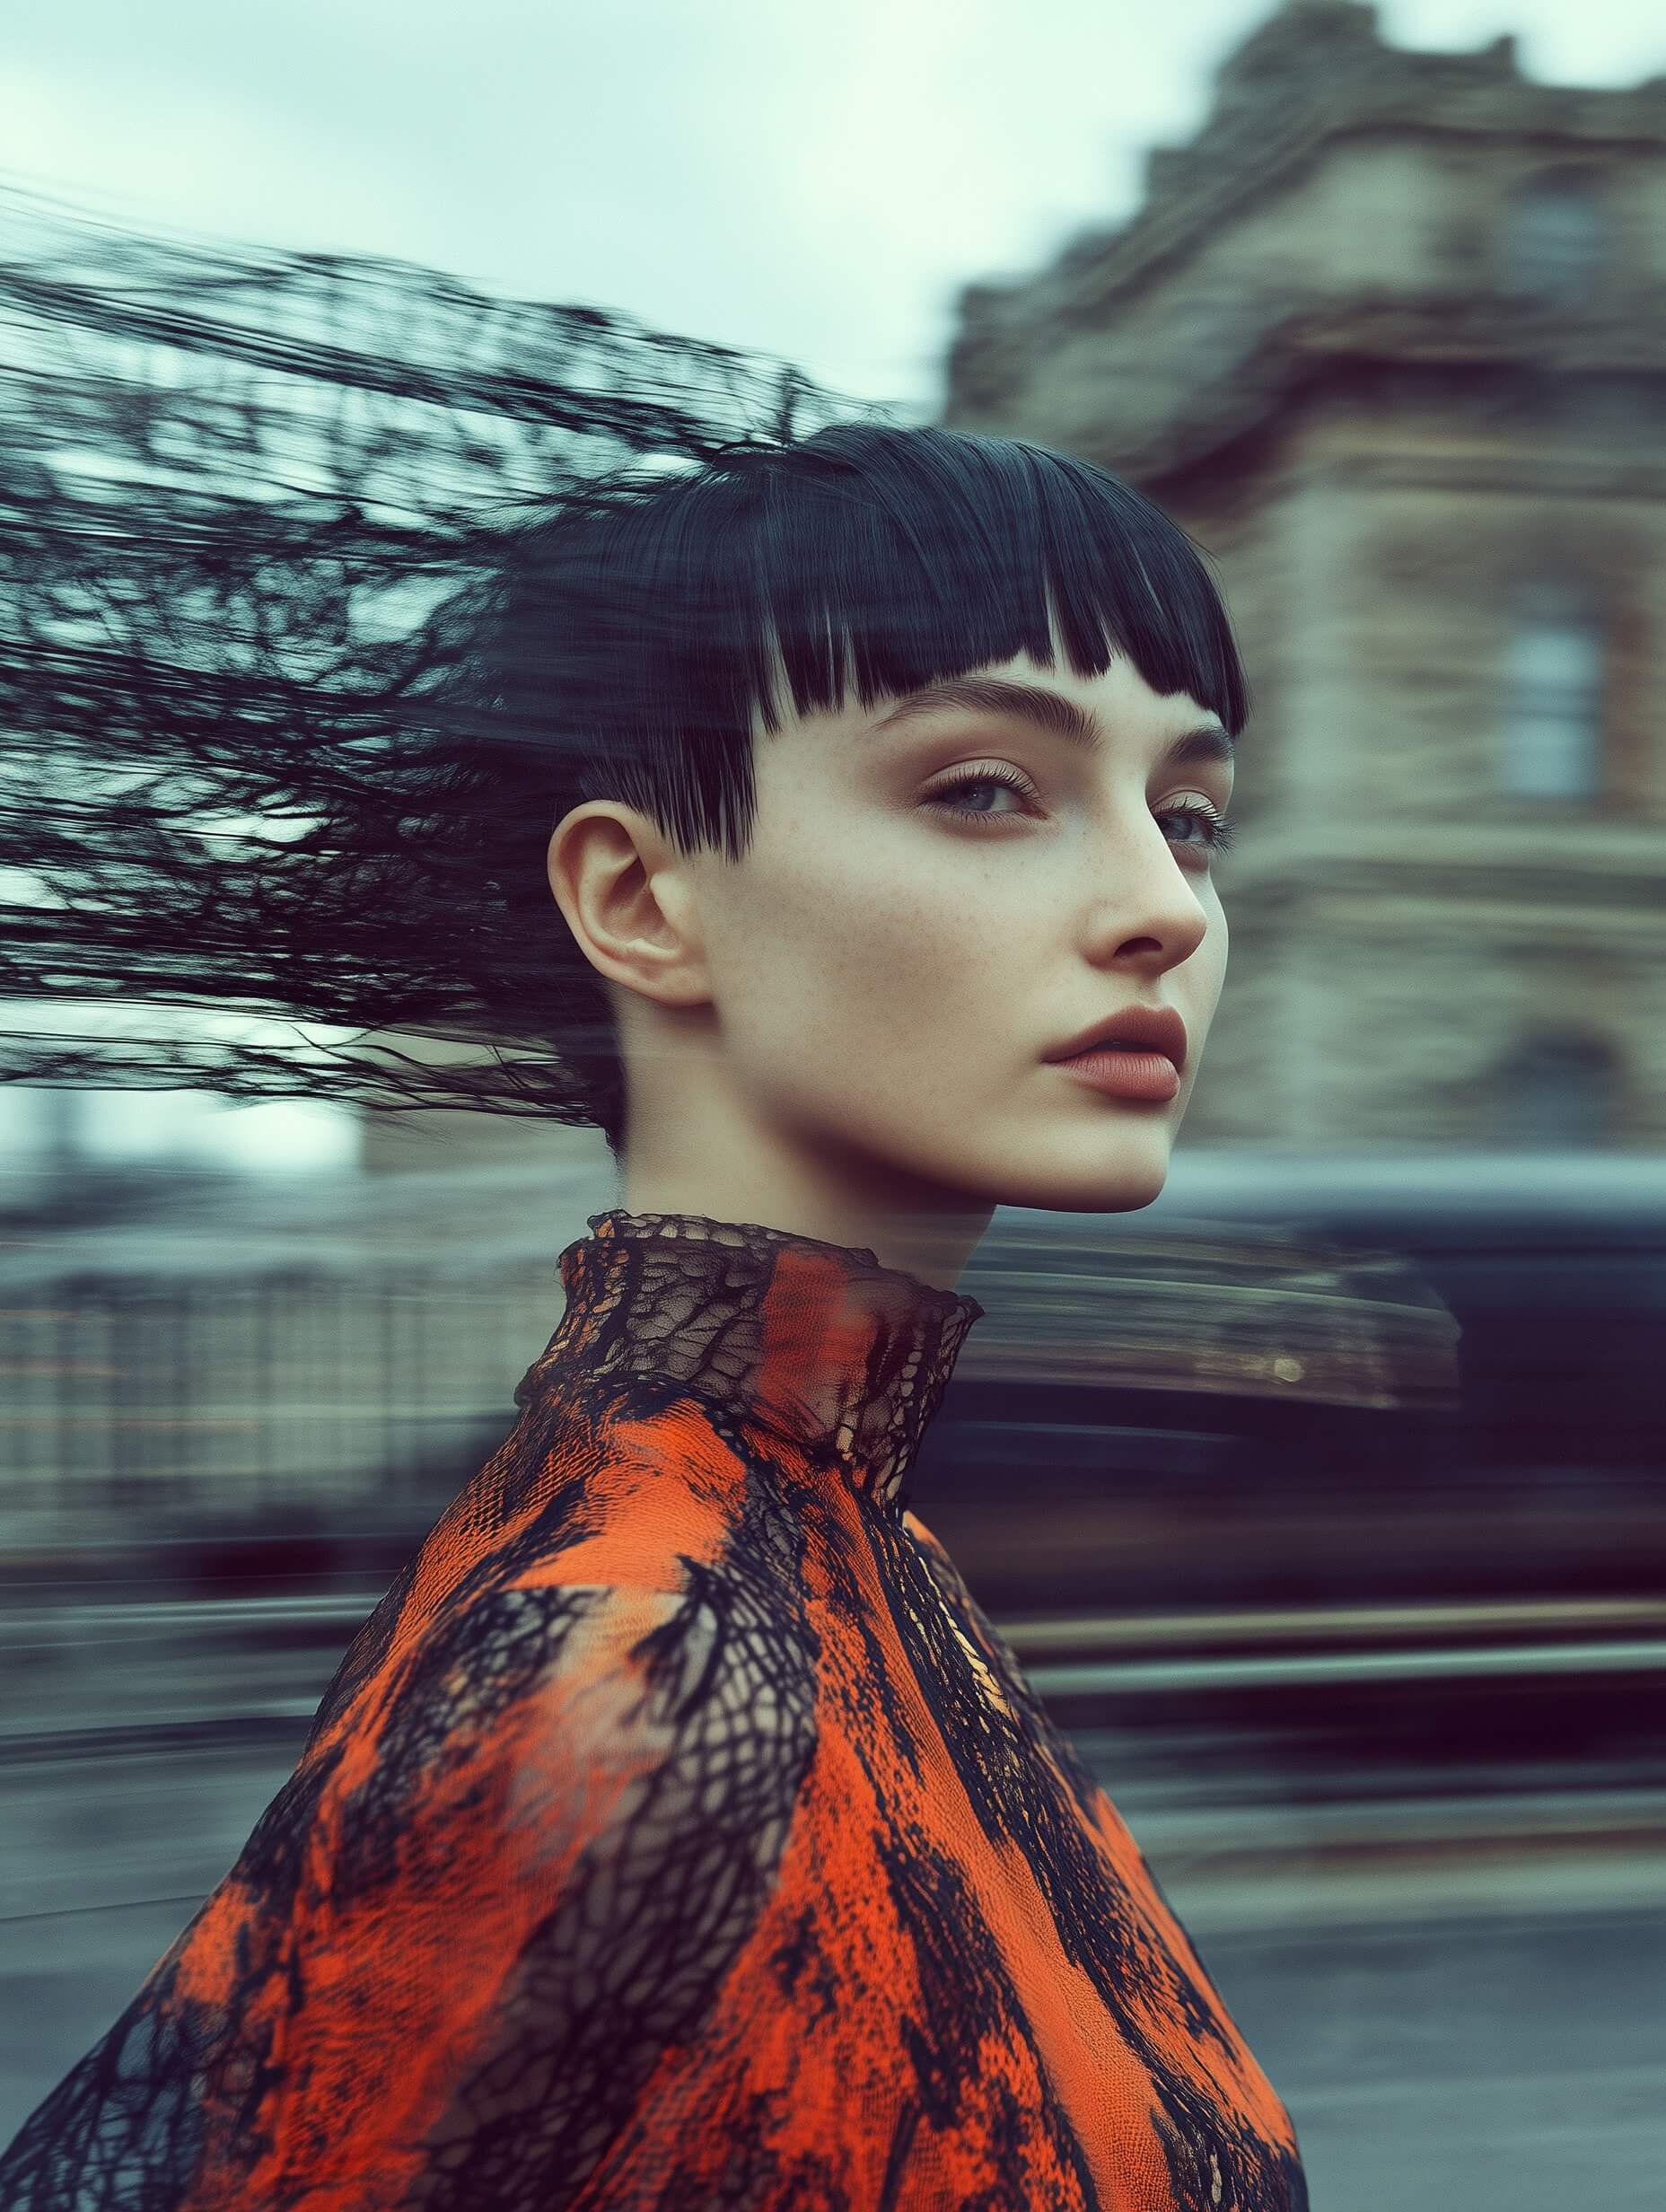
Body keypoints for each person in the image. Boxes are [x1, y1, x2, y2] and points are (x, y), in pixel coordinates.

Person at [0, 420, 1307, 2209]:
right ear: (636, 897)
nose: (1164, 907)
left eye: (1189, 817)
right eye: (985, 788)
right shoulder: (633, 1666)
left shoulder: (842, 1545)